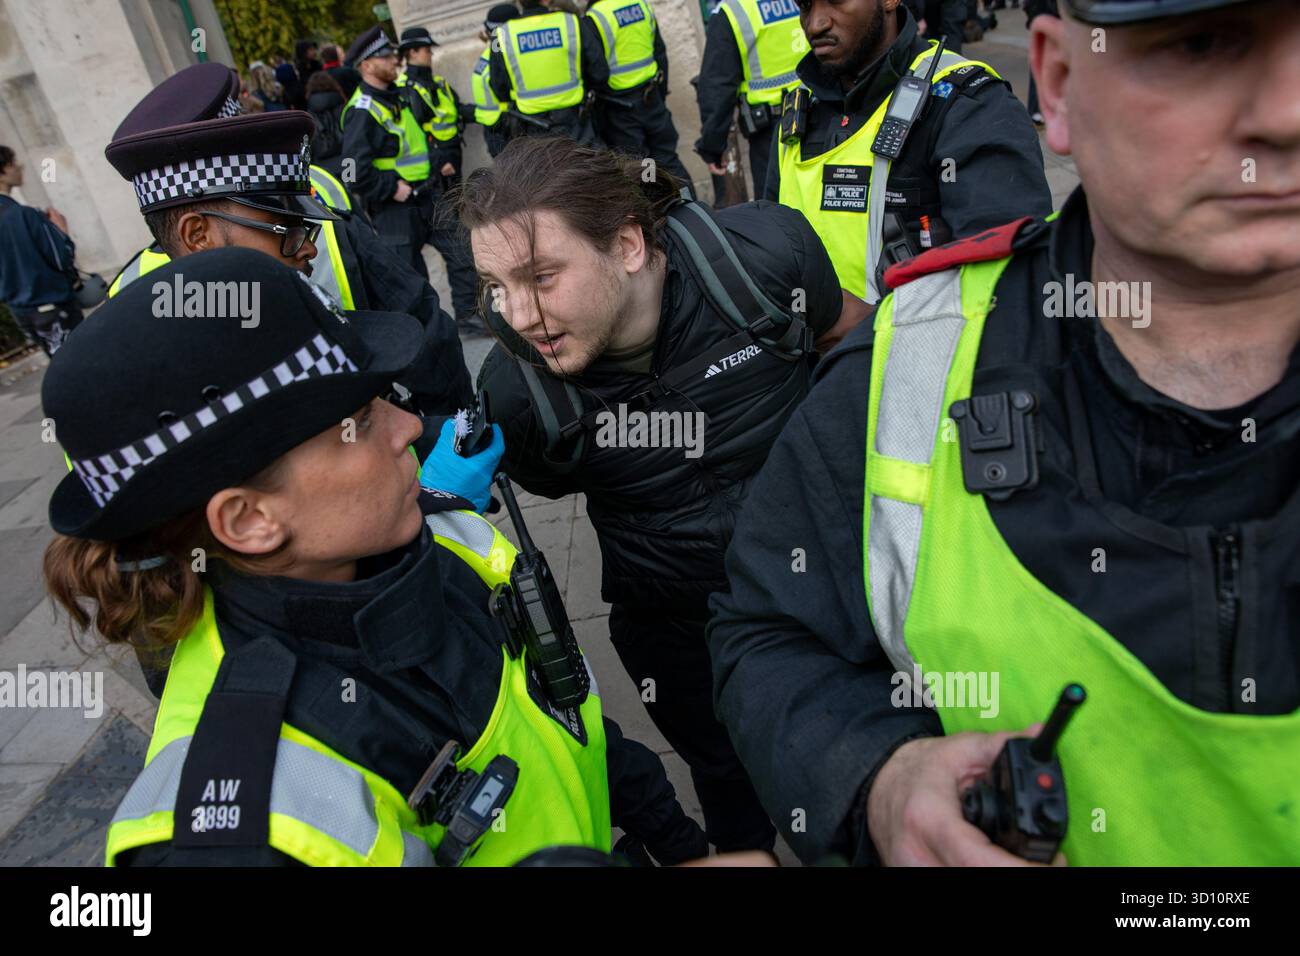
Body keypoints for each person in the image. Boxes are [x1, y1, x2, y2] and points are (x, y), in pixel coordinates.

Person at [707, 0, 1300, 866]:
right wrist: (879, 778)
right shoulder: (903, 374)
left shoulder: (954, 102)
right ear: (1058, 82)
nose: (1286, 112)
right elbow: (767, 637)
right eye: (1204, 43)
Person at [43, 247, 707, 867]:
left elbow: (569, 713)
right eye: (358, 421)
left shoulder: (452, 539)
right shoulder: (245, 828)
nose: (409, 426)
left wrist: (678, 841)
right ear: (250, 520)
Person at [468, 136, 870, 854]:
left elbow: (858, 340)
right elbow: (550, 476)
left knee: (867, 769)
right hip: (677, 629)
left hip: (835, 585)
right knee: (726, 775)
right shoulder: (517, 393)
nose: (518, 315)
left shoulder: (762, 260)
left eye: (541, 277)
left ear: (626, 244)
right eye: (496, 286)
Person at [104, 61, 471, 417]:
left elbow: (426, 340)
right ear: (197, 234)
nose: (310, 246)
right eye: (285, 230)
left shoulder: (123, 300)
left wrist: (446, 445)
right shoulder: (113, 334)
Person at [768, 0, 1051, 305]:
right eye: (805, 5)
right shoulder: (799, 112)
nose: (816, 23)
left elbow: (1014, 296)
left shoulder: (971, 106)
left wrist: (869, 329)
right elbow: (771, 249)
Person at [396, 27, 482, 332]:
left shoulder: (440, 84)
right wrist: (437, 163)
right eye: (425, 50)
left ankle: (467, 312)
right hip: (432, 176)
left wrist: (489, 113)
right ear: (412, 53)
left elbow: (457, 111)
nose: (430, 54)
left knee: (459, 239)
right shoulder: (406, 89)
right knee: (455, 240)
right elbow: (413, 137)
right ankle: (459, 315)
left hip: (451, 166)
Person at [341, 27, 438, 282]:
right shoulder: (361, 111)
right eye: (385, 56)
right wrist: (390, 187)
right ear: (367, 66)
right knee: (414, 282)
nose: (395, 60)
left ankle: (471, 321)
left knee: (463, 254)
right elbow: (351, 172)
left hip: (427, 195)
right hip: (395, 209)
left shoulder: (397, 96)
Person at [695, 0, 808, 199]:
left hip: (773, 132)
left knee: (775, 210)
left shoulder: (732, 11)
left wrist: (712, 146)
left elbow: (717, 87)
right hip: (823, 110)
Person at [586, 0, 692, 185]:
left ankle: (659, 208)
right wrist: (661, 92)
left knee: (643, 166)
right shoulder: (640, 5)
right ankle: (692, 206)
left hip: (621, 108)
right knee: (668, 158)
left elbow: (597, 72)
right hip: (652, 98)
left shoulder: (595, 17)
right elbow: (660, 52)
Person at [0, 146, 84, 356]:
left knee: (61, 366)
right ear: (3, 170)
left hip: (21, 310)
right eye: (13, 163)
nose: (20, 168)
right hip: (52, 303)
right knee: (81, 362)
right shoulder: (25, 215)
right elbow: (60, 258)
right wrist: (61, 231)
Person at [489, 1, 609, 146]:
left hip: (532, 126)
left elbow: (498, 87)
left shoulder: (499, 35)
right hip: (576, 120)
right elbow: (599, 72)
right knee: (588, 165)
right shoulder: (571, 22)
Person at [472, 5, 522, 159]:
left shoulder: (488, 54)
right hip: (506, 127)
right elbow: (503, 90)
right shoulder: (503, 56)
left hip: (495, 128)